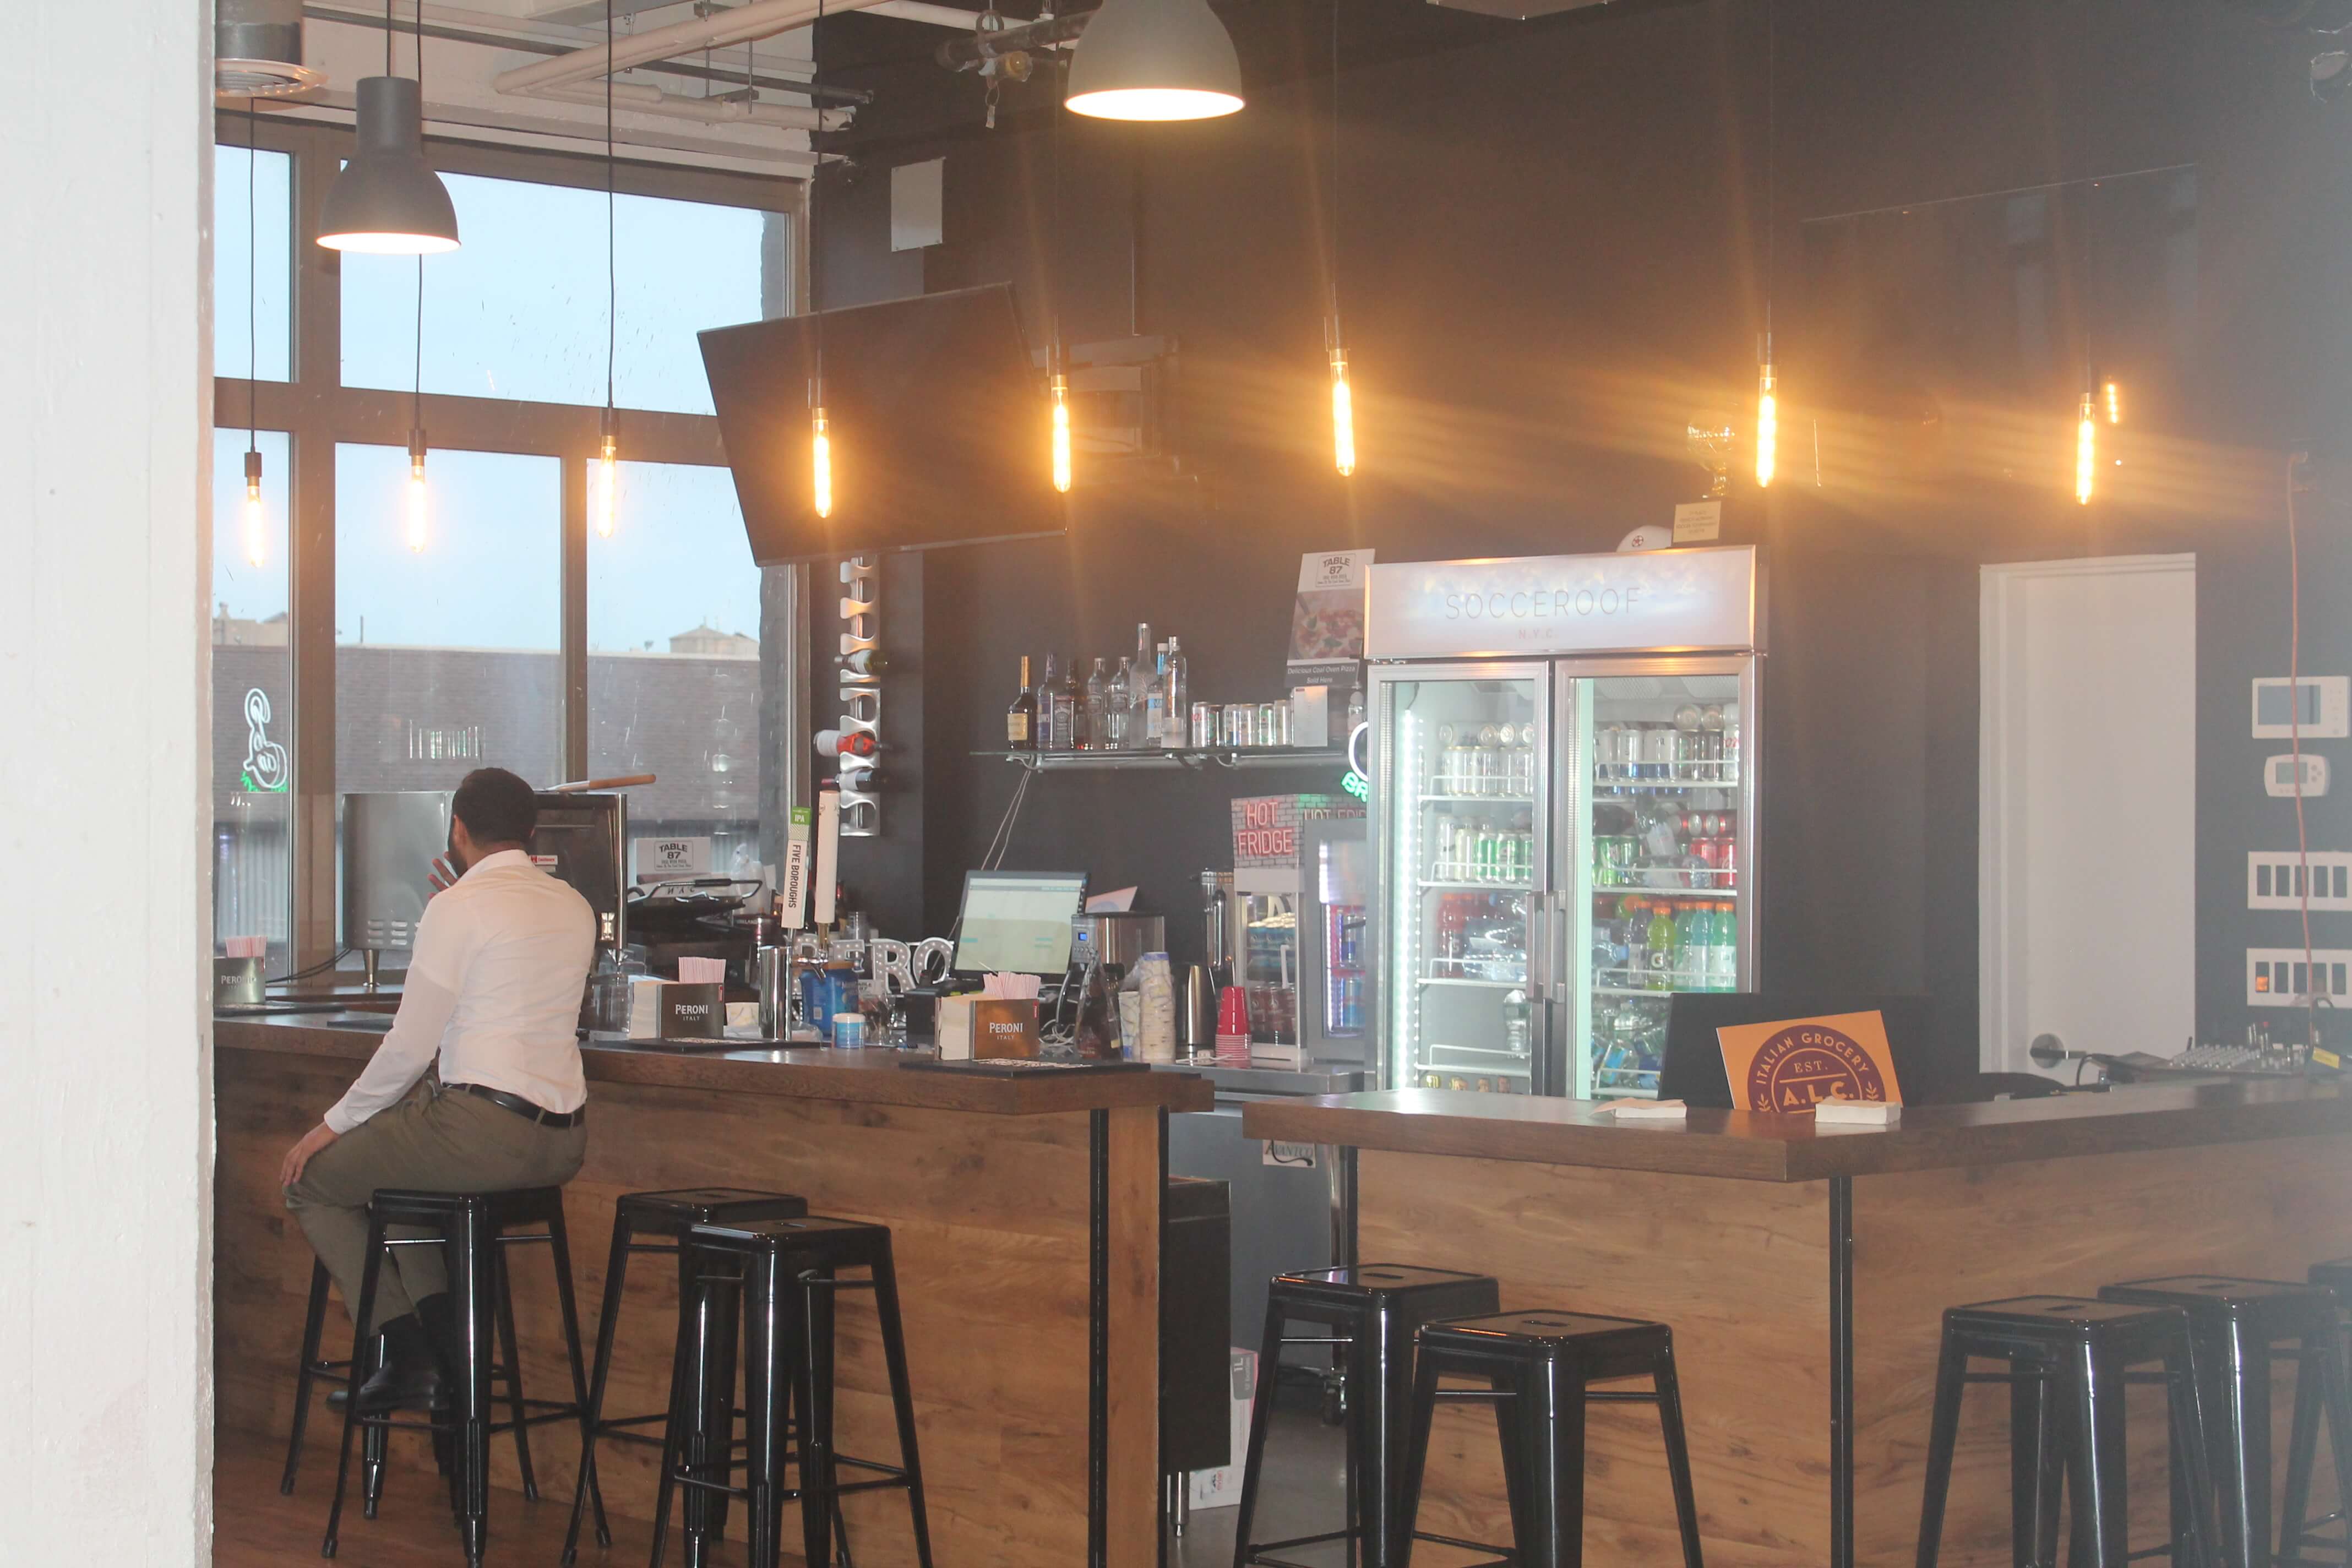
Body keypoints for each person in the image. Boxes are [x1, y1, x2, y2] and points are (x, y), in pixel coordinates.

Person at [281, 767, 595, 1412]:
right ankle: (450, 1364)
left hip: (482, 1136)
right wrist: (461, 902)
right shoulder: (574, 905)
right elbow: (507, 973)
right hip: (563, 1145)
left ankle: (408, 1353)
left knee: (311, 1184)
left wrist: (330, 1125)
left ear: (457, 828)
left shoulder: (457, 909)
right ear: (532, 832)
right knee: (404, 1195)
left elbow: (409, 1047)